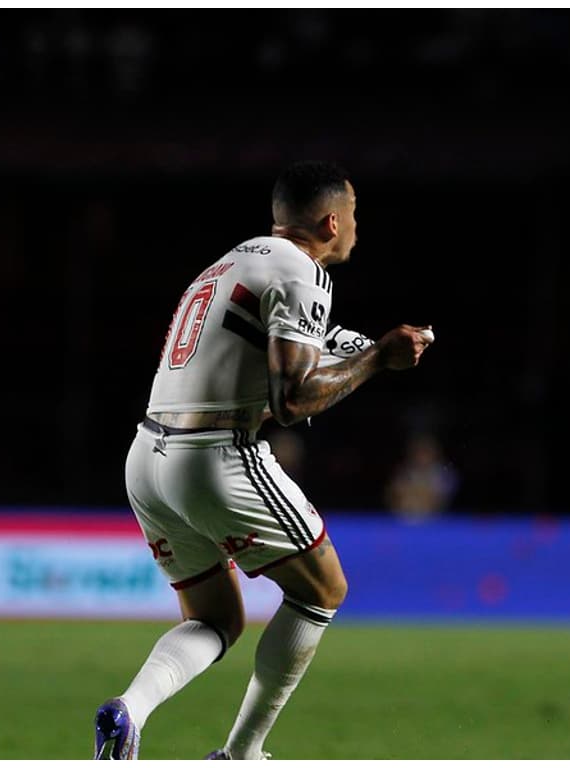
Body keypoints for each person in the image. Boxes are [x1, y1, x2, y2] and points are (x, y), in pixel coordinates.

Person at [92, 161, 434, 760]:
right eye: (353, 215)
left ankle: (129, 712)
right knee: (322, 589)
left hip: (147, 456)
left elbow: (255, 358)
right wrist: (379, 359)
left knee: (218, 619)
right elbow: (293, 398)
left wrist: (342, 349)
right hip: (213, 456)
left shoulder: (229, 263)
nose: (356, 226)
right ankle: (241, 753)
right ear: (332, 220)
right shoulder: (304, 273)